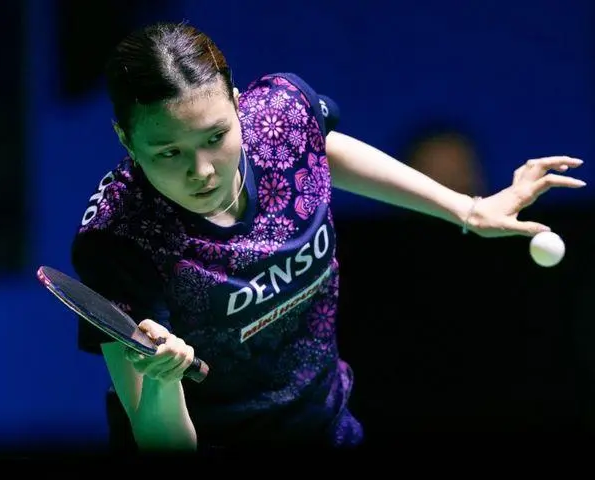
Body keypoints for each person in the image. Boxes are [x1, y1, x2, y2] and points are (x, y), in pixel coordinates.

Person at [70, 21, 586, 453]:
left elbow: (320, 147)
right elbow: (163, 444)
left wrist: (467, 209)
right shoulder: (119, 239)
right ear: (126, 140)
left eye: (216, 136)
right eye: (169, 153)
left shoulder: (282, 118)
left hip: (324, 425)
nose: (202, 171)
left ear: (237, 104)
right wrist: (163, 383)